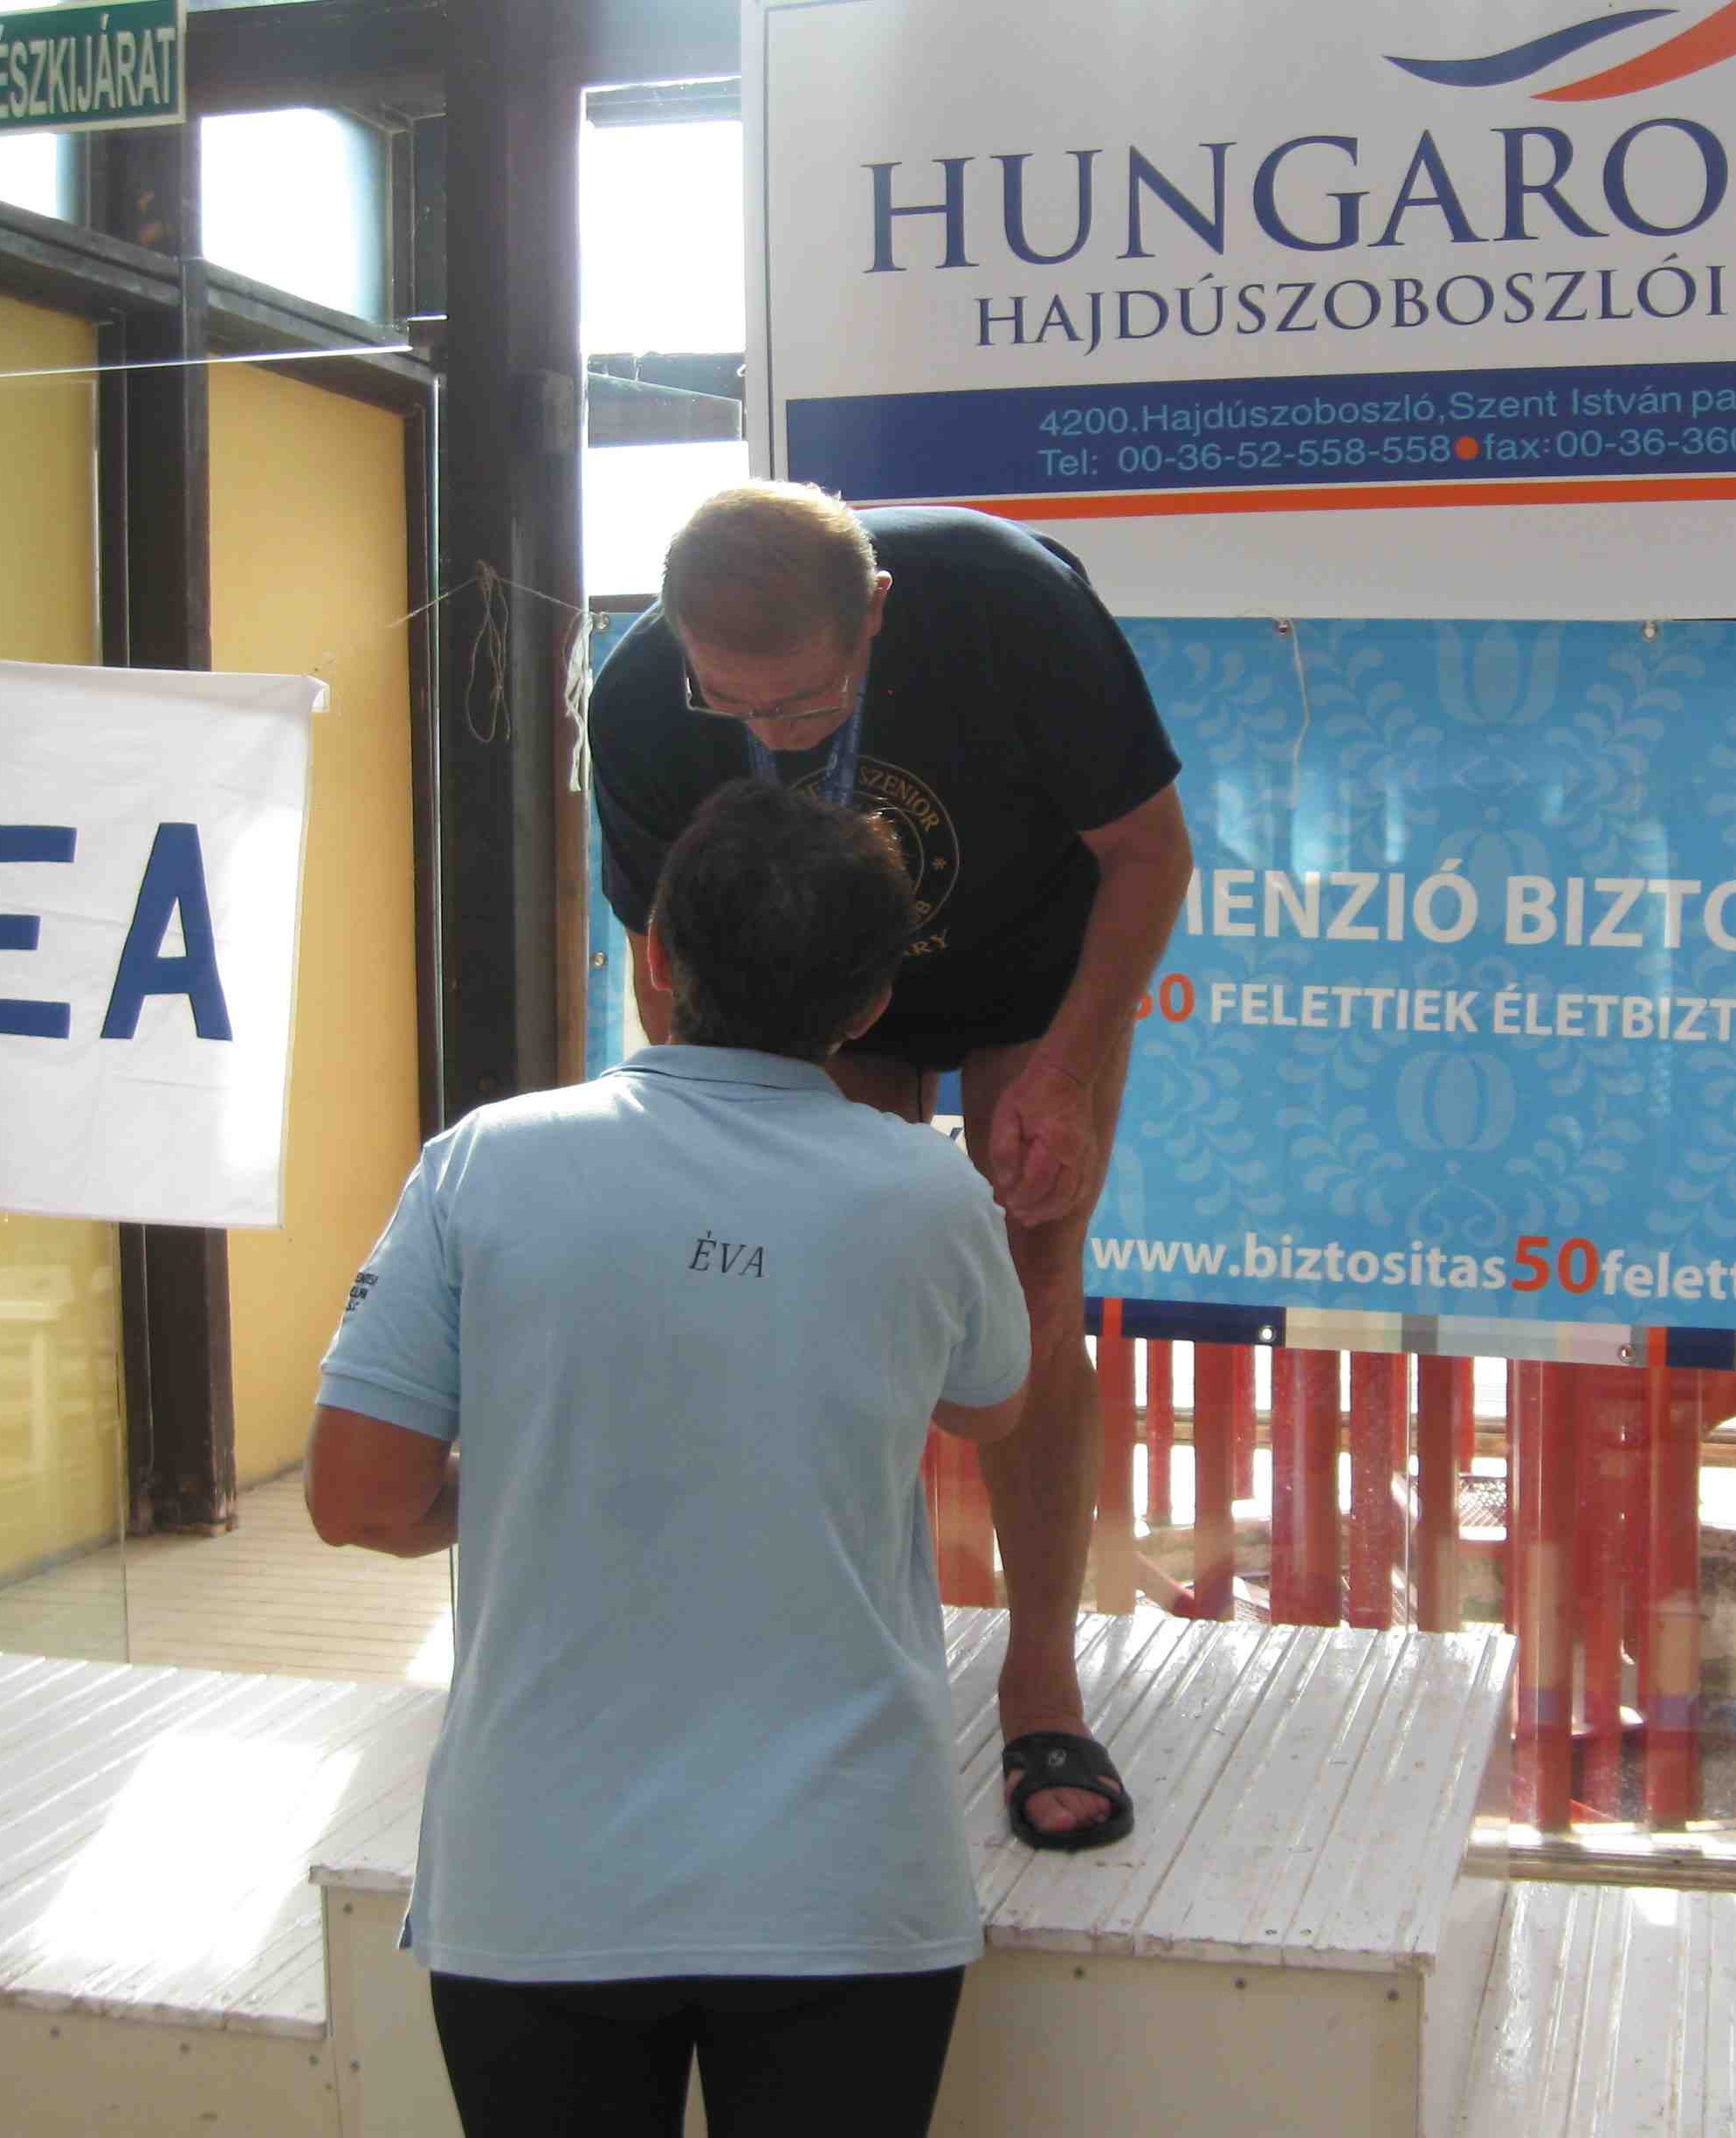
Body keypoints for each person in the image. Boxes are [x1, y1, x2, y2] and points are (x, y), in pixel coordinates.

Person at [304, 779, 1031, 2138]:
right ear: (871, 1004)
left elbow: (358, 1499)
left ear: (655, 957)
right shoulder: (933, 1193)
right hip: (847, 1883)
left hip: (540, 1883)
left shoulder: (485, 1164)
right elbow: (990, 1408)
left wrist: (519, 1472)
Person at [590, 483, 1192, 1851]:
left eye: (805, 703)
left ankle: (1042, 1676)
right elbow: (667, 957)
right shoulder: (638, 696)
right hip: (808, 980)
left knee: (1031, 1271)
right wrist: (719, 1142)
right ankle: (819, 1652)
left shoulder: (1011, 605)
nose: (767, 733)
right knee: (808, 1286)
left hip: (1030, 967)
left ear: (875, 615)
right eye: (730, 701)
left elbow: (1150, 854)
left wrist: (1067, 1070)